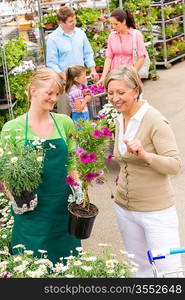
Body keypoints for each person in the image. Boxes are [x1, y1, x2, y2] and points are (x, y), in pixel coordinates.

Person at [104, 65, 182, 277]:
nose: (115, 98)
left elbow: (175, 165)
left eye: (121, 92)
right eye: (111, 93)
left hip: (156, 212)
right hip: (125, 209)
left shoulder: (154, 119)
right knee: (140, 269)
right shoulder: (121, 117)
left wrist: (146, 155)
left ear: (136, 90)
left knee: (169, 272)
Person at [0, 66, 81, 264]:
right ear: (33, 90)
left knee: (68, 265)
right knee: (32, 264)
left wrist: (79, 192)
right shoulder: (13, 128)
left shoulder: (64, 122)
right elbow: (4, 173)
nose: (54, 98)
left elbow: (71, 161)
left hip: (64, 207)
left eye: (57, 94)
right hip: (31, 212)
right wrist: (15, 199)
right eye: (49, 93)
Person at [46, 6, 98, 115]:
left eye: (74, 19)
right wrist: (69, 79)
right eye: (70, 21)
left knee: (84, 114)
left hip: (81, 82)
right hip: (65, 85)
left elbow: (88, 54)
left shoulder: (80, 34)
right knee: (65, 115)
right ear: (61, 22)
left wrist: (92, 70)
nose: (74, 23)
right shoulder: (53, 39)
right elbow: (51, 64)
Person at [97, 9, 147, 86]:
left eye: (116, 24)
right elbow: (109, 58)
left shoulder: (136, 35)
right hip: (115, 76)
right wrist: (103, 76)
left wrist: (131, 75)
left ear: (124, 21)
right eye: (111, 24)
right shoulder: (112, 36)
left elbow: (141, 58)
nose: (113, 27)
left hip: (130, 77)